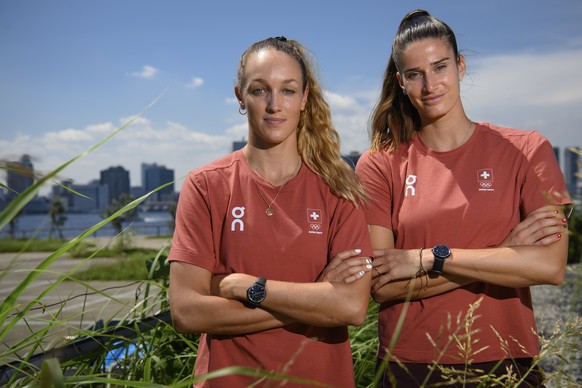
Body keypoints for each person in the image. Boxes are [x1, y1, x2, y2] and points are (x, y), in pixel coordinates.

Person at [355, 9, 572, 387]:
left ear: (460, 65)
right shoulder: (379, 164)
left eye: (440, 67)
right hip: (410, 365)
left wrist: (430, 258)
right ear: (400, 82)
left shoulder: (527, 149)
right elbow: (382, 286)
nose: (430, 84)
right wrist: (506, 250)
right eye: (414, 74)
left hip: (509, 360)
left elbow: (549, 266)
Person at [168, 36, 373, 387]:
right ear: (240, 96)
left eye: (288, 91)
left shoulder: (340, 189)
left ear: (305, 98)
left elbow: (351, 307)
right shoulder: (206, 185)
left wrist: (249, 288)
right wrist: (315, 297)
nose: (275, 105)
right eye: (260, 90)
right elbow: (186, 311)